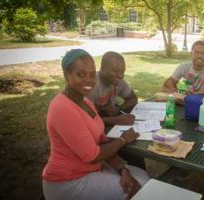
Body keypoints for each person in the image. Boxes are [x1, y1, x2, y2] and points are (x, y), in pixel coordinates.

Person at [42, 49, 149, 200]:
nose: (89, 80)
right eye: (81, 74)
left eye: (92, 74)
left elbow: (101, 141)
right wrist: (123, 139)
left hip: (94, 169)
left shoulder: (85, 102)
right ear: (67, 75)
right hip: (69, 182)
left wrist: (122, 169)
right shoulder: (62, 107)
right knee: (142, 189)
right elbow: (92, 155)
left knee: (141, 175)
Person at [87, 51, 138, 126]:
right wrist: (116, 120)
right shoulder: (91, 86)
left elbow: (133, 98)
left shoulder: (118, 81)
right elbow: (86, 119)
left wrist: (118, 108)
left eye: (123, 72)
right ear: (103, 68)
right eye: (116, 71)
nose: (120, 76)